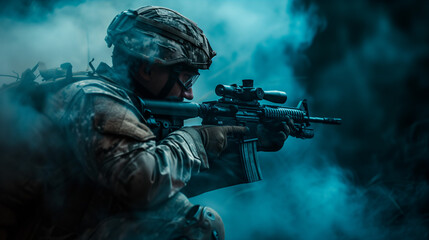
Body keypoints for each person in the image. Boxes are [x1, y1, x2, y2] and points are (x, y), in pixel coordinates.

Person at [0, 6, 292, 240]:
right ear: (147, 68)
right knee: (195, 225)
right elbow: (144, 183)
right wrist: (196, 140)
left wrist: (245, 142)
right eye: (185, 78)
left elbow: (164, 184)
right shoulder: (96, 100)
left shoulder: (124, 102)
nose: (189, 92)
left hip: (59, 224)